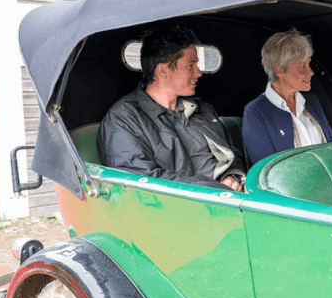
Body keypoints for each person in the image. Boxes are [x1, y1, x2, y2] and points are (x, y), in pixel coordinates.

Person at [98, 25, 246, 191]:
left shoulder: (203, 109)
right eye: (191, 65)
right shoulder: (124, 118)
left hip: (228, 199)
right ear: (164, 70)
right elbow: (141, 181)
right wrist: (215, 189)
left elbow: (231, 154)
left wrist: (232, 176)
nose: (198, 72)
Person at [243, 29, 332, 165]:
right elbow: (267, 170)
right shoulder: (255, 112)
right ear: (279, 70)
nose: (310, 72)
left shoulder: (312, 102)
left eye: (308, 64)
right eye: (302, 66)